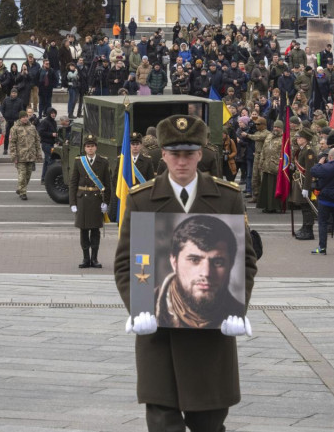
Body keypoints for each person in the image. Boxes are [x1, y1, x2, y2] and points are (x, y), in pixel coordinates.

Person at [115, 113, 257, 432]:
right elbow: (127, 264)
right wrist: (138, 308)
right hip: (159, 336)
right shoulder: (142, 200)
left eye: (189, 153)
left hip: (211, 336)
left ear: (200, 154)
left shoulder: (227, 198)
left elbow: (246, 261)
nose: (182, 161)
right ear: (162, 154)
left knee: (208, 421)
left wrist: (238, 309)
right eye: (175, 153)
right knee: (163, 421)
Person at [155, 215, 246, 329]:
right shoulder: (147, 307)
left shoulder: (238, 313)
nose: (206, 273)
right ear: (174, 262)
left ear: (231, 264)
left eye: (217, 262)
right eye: (194, 260)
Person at [69, 134, 111, 269]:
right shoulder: (79, 161)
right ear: (85, 148)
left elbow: (107, 183)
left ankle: (95, 258)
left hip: (97, 199)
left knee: (95, 231)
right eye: (88, 146)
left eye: (92, 146)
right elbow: (73, 183)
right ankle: (85, 258)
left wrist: (106, 202)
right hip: (82, 200)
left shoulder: (103, 162)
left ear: (96, 147)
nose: (90, 149)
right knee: (83, 230)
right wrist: (73, 203)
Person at [310, 148, 334, 254]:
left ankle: (322, 247)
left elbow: (313, 171)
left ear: (330, 157)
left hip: (325, 199)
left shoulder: (325, 168)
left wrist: (319, 163)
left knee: (323, 223)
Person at [9, 110, 42, 201]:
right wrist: (14, 156)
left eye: (26, 117)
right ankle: (23, 193)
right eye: (23, 117)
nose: (25, 118)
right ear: (20, 118)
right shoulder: (15, 128)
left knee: (28, 176)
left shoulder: (32, 127)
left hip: (31, 156)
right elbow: (12, 143)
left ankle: (20, 188)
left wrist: (39, 154)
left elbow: (37, 141)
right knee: (22, 175)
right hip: (20, 156)